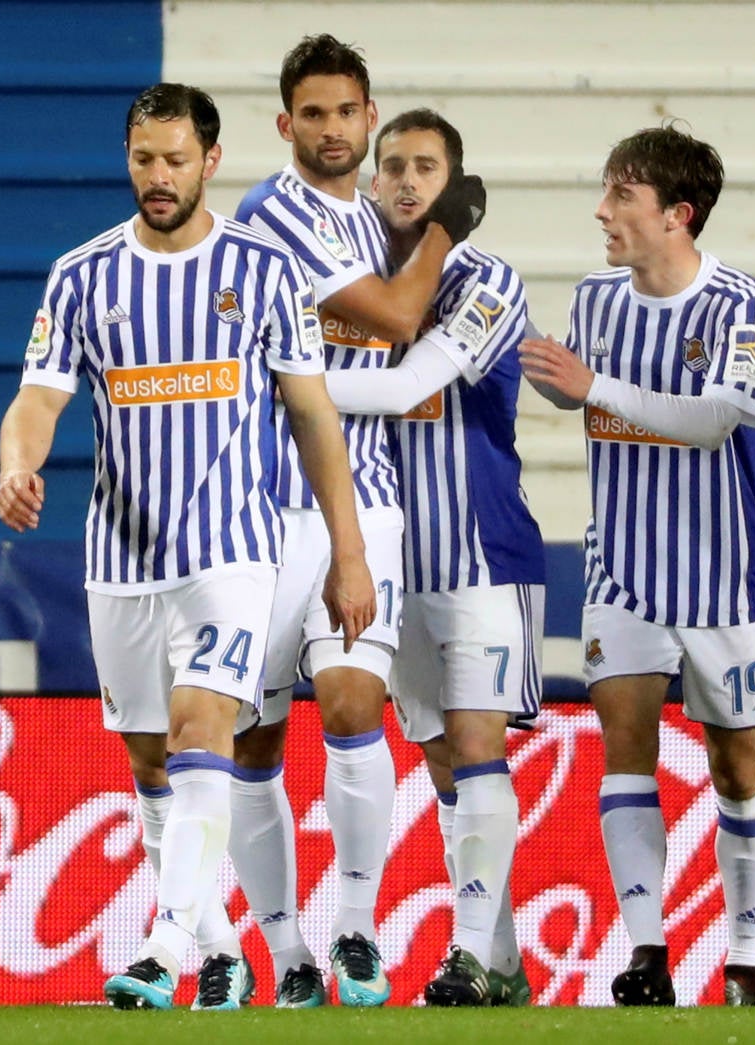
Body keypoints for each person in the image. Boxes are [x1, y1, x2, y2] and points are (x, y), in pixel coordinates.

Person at [0, 82, 375, 1012]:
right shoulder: (82, 276)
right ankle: (219, 946)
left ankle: (163, 947)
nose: (156, 177)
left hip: (232, 554)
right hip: (122, 562)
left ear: (210, 161)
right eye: (142, 159)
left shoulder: (264, 272)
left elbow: (315, 418)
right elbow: (38, 398)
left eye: (174, 159)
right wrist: (16, 464)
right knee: (151, 761)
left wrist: (348, 550)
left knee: (206, 727)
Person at [227, 37, 484, 1009]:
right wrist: (454, 220)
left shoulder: (378, 218)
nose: (333, 130)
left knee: (350, 705)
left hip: (361, 503)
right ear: (287, 125)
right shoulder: (274, 213)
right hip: (254, 512)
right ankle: (288, 950)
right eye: (315, 114)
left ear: (369, 117)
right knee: (252, 739)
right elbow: (393, 316)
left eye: (348, 112)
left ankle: (358, 931)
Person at [519, 123, 755, 1007]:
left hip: (724, 578)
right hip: (622, 573)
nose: (602, 211)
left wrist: (591, 387)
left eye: (622, 197)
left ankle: (747, 959)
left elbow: (720, 418)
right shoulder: (597, 302)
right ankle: (647, 953)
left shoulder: (745, 306)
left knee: (738, 768)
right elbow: (575, 390)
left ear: (678, 214)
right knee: (626, 756)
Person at [323, 108, 545, 1007]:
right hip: (392, 562)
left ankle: (461, 958)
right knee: (447, 762)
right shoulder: (361, 286)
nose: (408, 180)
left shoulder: (488, 279)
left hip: (484, 553)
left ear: (452, 182)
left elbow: (410, 383)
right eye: (395, 166)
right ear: (373, 183)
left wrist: (271, 376)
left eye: (427, 166)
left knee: (479, 745)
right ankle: (502, 962)